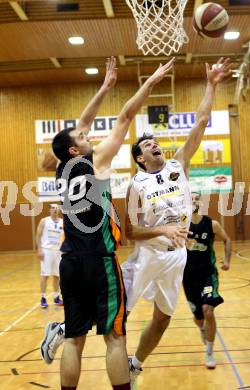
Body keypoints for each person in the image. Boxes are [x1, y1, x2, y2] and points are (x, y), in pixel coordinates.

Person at [40, 56, 175, 390]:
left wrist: (104, 87)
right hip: (99, 262)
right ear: (76, 149)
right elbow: (126, 116)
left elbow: (77, 129)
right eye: (84, 137)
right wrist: (151, 82)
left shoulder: (62, 167)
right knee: (114, 339)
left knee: (74, 340)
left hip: (69, 261)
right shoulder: (95, 161)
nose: (90, 135)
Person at [122, 58, 233, 383]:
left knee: (162, 319)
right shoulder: (136, 185)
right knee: (119, 314)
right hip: (150, 255)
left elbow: (200, 121)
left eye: (154, 141)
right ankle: (66, 330)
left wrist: (211, 84)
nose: (154, 144)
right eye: (146, 145)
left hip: (177, 258)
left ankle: (135, 363)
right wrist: (163, 229)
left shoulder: (177, 165)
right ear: (140, 159)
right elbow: (131, 232)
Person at [183, 192, 231, 369]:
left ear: (200, 203)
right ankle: (202, 329)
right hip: (188, 277)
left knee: (208, 310)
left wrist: (227, 261)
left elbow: (227, 240)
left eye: (196, 199)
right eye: (191, 198)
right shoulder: (181, 225)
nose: (194, 201)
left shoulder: (212, 224)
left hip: (208, 275)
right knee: (198, 317)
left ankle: (210, 353)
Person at [36, 203, 63, 308]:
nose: (55, 210)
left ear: (59, 211)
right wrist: (39, 250)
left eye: (57, 208)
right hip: (46, 251)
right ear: (49, 210)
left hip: (58, 252)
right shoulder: (44, 221)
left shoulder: (62, 222)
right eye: (53, 208)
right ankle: (43, 298)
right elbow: (38, 236)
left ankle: (56, 297)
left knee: (57, 275)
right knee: (45, 275)